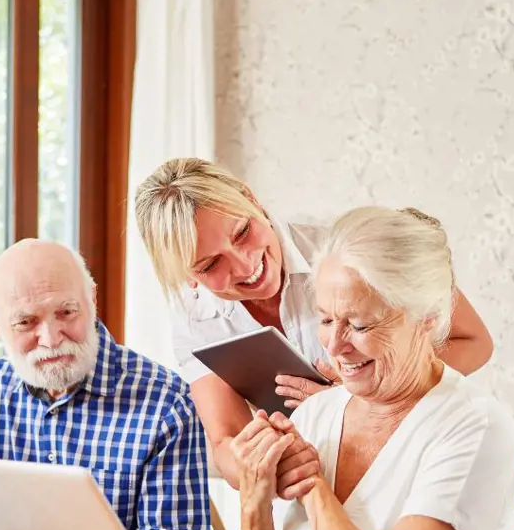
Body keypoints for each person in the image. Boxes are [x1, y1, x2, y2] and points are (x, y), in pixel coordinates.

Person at [230, 206, 514, 530]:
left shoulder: (475, 425)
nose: (333, 346)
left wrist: (312, 486)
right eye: (326, 319)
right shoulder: (313, 415)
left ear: (429, 320)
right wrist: (253, 494)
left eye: (360, 326)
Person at [134, 159, 495, 488]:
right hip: (310, 489)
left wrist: (360, 401)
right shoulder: (195, 315)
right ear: (189, 277)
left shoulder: (340, 250)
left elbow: (474, 341)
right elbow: (227, 442)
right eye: (210, 265)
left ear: (252, 199)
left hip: (411, 463)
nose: (245, 267)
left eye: (242, 232)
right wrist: (254, 462)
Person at [0, 240, 214, 530]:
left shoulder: (165, 401)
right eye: (26, 322)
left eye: (67, 312)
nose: (51, 338)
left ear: (93, 301)